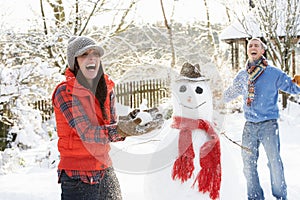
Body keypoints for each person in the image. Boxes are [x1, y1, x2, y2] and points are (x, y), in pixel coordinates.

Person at [223, 38, 300, 200]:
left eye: (256, 45)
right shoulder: (243, 75)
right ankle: (255, 197)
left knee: (274, 163)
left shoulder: (273, 73)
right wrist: (214, 98)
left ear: (262, 51)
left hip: (269, 125)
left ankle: (280, 196)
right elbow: (230, 93)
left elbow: (292, 87)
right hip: (249, 126)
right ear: (247, 50)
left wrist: (298, 82)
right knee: (248, 166)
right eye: (250, 45)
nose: (253, 47)